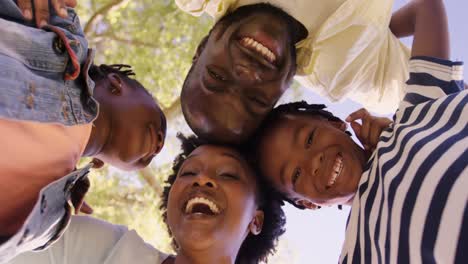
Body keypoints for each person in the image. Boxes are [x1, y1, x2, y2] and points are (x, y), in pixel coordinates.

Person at [253, 0, 467, 262]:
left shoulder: (414, 115)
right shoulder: (357, 251)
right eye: (296, 174)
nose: (313, 162)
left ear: (336, 124)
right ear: (309, 203)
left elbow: (427, 9)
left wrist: (370, 41)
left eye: (310, 138)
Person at [8, 135, 286, 264]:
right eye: (189, 172)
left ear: (256, 220)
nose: (202, 179)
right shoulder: (101, 247)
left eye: (228, 174)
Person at [176, 0, 411, 143]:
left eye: (217, 77)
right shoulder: (348, 71)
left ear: (200, 50)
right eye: (255, 99)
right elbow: (429, 91)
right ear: (278, 98)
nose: (247, 74)